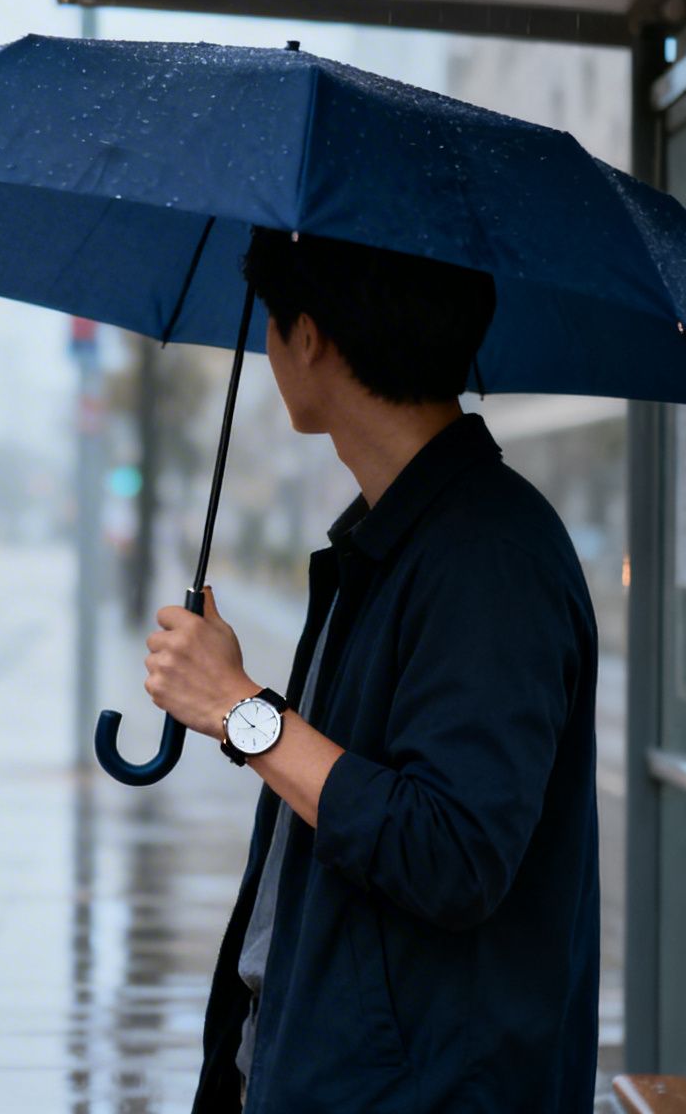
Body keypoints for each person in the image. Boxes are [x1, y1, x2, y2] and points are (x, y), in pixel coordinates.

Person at [142, 227, 599, 1113]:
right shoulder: (394, 540)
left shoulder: (487, 557)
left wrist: (241, 711)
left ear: (308, 337)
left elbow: (453, 851)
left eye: (271, 324)